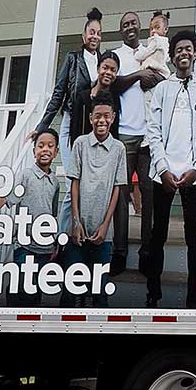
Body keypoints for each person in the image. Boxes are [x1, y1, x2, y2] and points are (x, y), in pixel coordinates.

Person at [144, 29, 196, 308]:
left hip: (191, 176)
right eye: (179, 50)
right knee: (157, 234)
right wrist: (162, 168)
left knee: (192, 236)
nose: (184, 53)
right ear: (172, 57)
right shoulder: (162, 89)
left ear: (195, 53)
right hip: (162, 174)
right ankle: (153, 294)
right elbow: (153, 132)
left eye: (188, 48)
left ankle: (194, 297)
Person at [111, 11, 166, 275]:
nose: (130, 27)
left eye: (133, 22)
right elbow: (113, 85)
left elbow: (164, 81)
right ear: (121, 30)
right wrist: (137, 76)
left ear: (140, 27)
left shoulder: (151, 51)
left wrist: (152, 77)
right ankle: (119, 252)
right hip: (123, 135)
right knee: (121, 196)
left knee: (148, 195)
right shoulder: (117, 55)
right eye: (125, 24)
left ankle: (146, 253)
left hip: (148, 137)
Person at [0, 128, 63, 304]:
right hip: (24, 245)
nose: (45, 149)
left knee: (35, 288)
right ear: (34, 151)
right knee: (20, 285)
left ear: (56, 152)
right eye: (41, 146)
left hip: (44, 247)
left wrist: (54, 242)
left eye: (50, 146)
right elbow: (6, 197)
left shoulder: (56, 182)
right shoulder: (26, 175)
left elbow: (53, 214)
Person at [68, 102, 127, 306]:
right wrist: (76, 222)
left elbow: (117, 188)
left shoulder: (119, 148)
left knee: (99, 292)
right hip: (79, 229)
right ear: (90, 118)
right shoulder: (80, 144)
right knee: (72, 289)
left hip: (103, 232)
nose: (101, 120)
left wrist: (105, 225)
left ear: (113, 118)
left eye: (106, 116)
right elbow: (74, 183)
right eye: (97, 116)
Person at [36, 8, 107, 175]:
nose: (94, 36)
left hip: (93, 124)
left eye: (98, 33)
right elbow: (58, 93)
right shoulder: (72, 59)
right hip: (71, 120)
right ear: (83, 36)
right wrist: (42, 126)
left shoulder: (103, 62)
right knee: (71, 176)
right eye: (91, 32)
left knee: (89, 176)